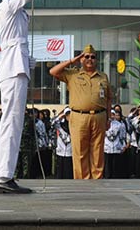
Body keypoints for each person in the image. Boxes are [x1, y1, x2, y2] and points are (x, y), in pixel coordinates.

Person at [0, 0, 42, 194]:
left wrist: (28, 60)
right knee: (11, 122)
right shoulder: (9, 5)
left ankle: (5, 175)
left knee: (14, 122)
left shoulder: (16, 10)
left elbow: (18, 41)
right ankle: (3, 177)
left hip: (16, 66)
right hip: (12, 70)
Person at [49, 44, 113, 179]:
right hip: (79, 116)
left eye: (93, 57)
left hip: (99, 116)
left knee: (97, 150)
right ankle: (82, 181)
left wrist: (108, 118)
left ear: (97, 60)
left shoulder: (103, 77)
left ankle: (97, 179)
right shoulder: (73, 73)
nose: (90, 59)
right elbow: (53, 71)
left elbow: (108, 98)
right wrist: (73, 60)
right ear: (82, 59)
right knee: (80, 151)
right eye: (86, 56)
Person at [104, 109, 128, 179]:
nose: (111, 116)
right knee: (107, 163)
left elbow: (122, 136)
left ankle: (115, 176)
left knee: (115, 163)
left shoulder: (119, 124)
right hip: (107, 146)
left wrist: (123, 145)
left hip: (116, 145)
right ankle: (107, 176)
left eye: (113, 114)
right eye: (110, 114)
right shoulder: (104, 123)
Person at [53, 108, 73, 179]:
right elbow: (53, 123)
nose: (69, 117)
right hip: (60, 151)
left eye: (70, 115)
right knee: (59, 171)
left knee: (68, 171)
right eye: (67, 115)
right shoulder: (60, 126)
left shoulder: (74, 126)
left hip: (70, 152)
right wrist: (61, 116)